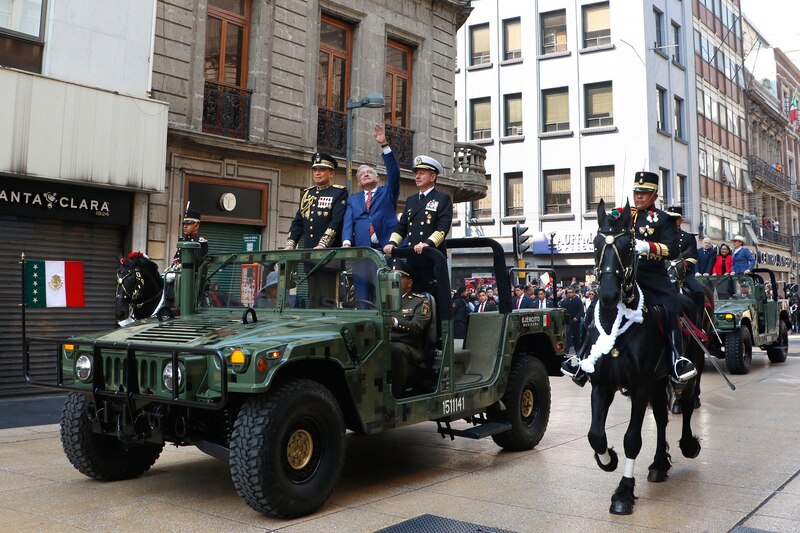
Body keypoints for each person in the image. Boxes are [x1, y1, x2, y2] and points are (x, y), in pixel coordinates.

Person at [562, 170, 696, 385]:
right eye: (636, 192)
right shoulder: (622, 214)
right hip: (621, 276)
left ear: (654, 195)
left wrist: (648, 246)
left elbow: (672, 250)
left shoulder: (663, 220)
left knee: (672, 306)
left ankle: (676, 361)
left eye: (644, 193)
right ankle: (581, 357)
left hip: (651, 276)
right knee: (595, 307)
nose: (639, 197)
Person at [383, 155, 453, 291]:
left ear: (432, 177)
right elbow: (402, 226)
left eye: (422, 173)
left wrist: (428, 243)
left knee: (433, 298)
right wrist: (392, 243)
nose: (417, 177)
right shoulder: (411, 200)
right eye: (416, 173)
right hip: (413, 258)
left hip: (431, 258)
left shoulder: (442, 198)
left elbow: (443, 227)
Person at [342, 124, 401, 249]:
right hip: (362, 248)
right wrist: (346, 243)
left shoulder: (387, 191)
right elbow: (348, 223)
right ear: (358, 183)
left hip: (388, 245)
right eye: (362, 174)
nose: (366, 174)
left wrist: (384, 145)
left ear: (378, 179)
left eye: (369, 172)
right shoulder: (353, 199)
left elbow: (394, 173)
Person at [285, 152, 348, 249]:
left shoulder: (339, 193)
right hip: (308, 252)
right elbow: (298, 222)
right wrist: (290, 244)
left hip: (330, 253)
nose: (317, 173)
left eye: (322, 170)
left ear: (331, 173)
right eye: (315, 170)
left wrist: (323, 244)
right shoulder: (307, 193)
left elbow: (336, 221)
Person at [389, 260, 433, 398]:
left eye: (398, 277)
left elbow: (417, 327)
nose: (393, 281)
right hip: (384, 341)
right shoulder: (384, 300)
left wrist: (394, 321)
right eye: (390, 277)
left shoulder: (420, 301)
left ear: (409, 282)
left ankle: (396, 396)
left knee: (395, 349)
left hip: (410, 347)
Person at [666, 206, 706, 314]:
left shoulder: (688, 237)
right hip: (664, 274)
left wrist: (684, 264)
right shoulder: (661, 236)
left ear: (681, 220)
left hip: (684, 275)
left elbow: (693, 256)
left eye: (676, 219)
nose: (673, 222)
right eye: (670, 219)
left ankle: (699, 324)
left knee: (699, 293)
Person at [165, 208, 208, 307]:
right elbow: (176, 258)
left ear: (196, 225)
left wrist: (179, 270)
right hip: (177, 276)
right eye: (184, 223)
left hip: (190, 279)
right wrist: (173, 268)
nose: (185, 226)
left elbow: (197, 263)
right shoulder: (182, 240)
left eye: (188, 224)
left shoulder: (201, 242)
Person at [559, 287, 585, 353]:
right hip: (567, 321)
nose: (569, 294)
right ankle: (567, 351)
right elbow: (562, 308)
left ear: (573, 293)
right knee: (568, 336)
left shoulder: (578, 300)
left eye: (571, 292)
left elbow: (581, 310)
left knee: (576, 336)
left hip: (575, 321)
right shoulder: (566, 300)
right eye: (568, 293)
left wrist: (577, 317)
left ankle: (578, 351)